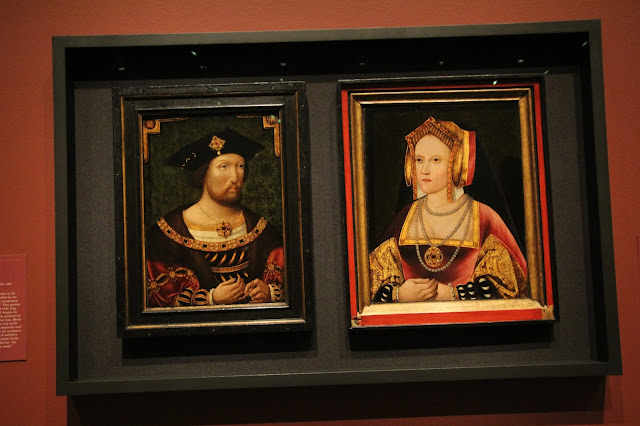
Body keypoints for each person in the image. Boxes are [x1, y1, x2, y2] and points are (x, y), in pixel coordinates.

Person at [369, 117, 528, 303]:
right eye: (419, 160)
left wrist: (456, 294)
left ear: (458, 163)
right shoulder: (404, 218)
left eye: (436, 160)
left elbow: (507, 289)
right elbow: (371, 285)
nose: (424, 170)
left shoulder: (485, 218)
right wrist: (398, 294)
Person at [145, 128, 285, 307]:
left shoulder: (263, 230)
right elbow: (157, 299)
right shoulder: (166, 233)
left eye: (240, 166)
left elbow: (289, 285)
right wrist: (210, 299)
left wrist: (269, 293)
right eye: (223, 166)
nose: (234, 177)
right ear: (203, 174)